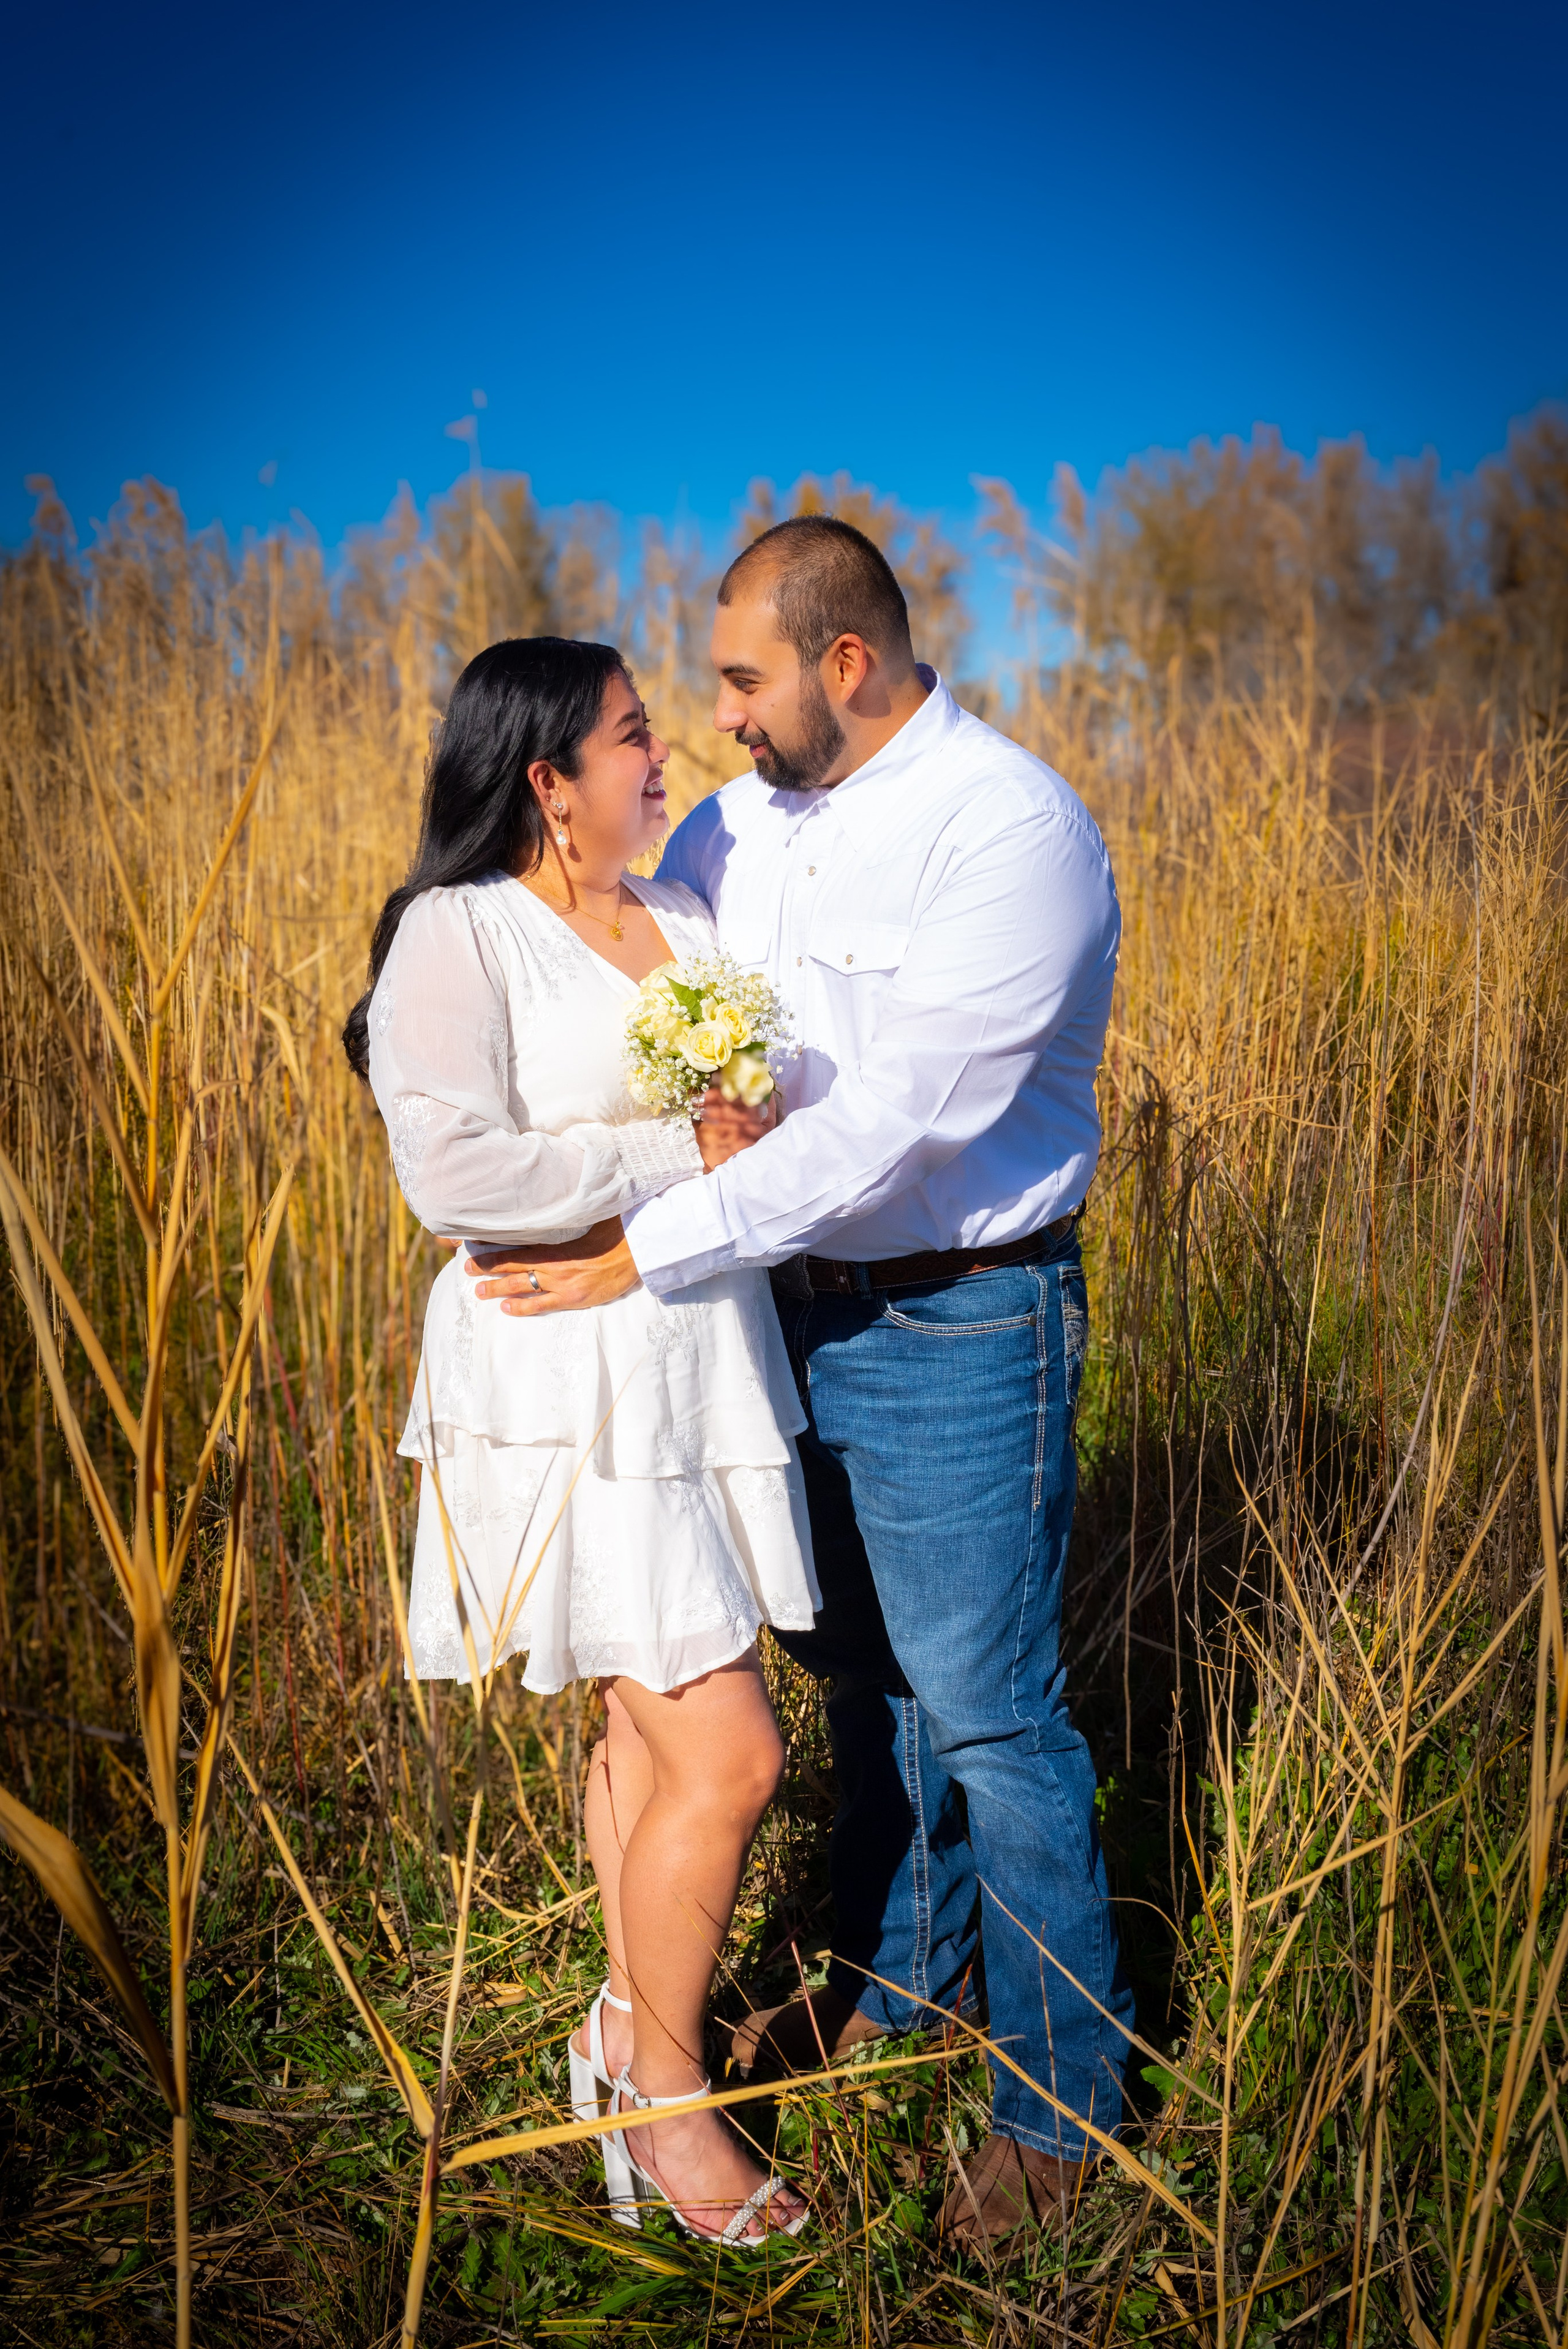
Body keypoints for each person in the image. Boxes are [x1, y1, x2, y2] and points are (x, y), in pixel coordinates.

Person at [468, 518, 1137, 2247]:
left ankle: (1063, 2102)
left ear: (845, 661)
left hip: (958, 1317)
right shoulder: (737, 822)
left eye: (745, 679)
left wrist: (656, 1243)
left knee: (992, 1707)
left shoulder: (1012, 831)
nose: (721, 717)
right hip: (778, 1315)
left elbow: (906, 1118)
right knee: (867, 1689)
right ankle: (897, 1991)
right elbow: (637, 965)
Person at [344, 635, 813, 2247]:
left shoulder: (682, 922)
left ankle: (623, 2032)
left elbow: (757, 1135)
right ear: (547, 779)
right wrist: (672, 1145)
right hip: (557, 1378)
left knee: (648, 1737)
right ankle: (667, 2099)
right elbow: (456, 1174)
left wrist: (738, 1139)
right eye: (629, 736)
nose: (661, 752)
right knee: (732, 1748)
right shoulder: (456, 936)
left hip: (696, 1360)